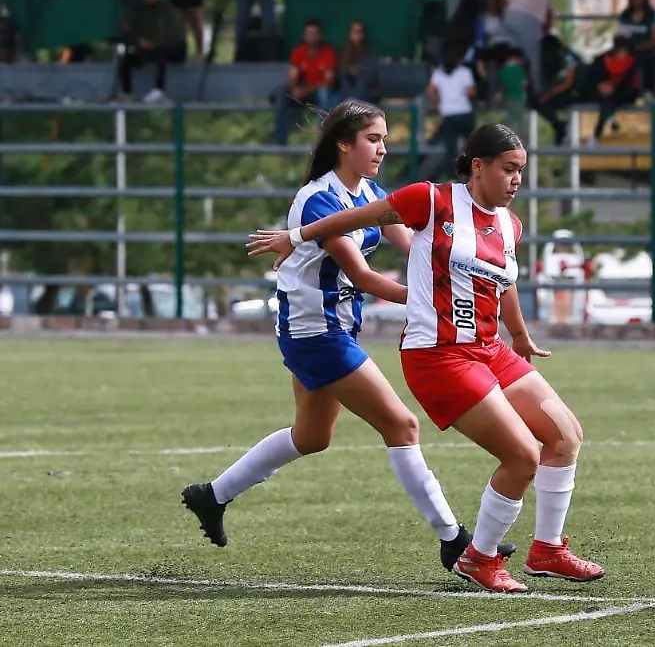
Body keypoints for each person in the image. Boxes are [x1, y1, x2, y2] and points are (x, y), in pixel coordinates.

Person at [247, 123, 604, 593]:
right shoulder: (430, 200)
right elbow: (352, 219)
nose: (517, 180)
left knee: (565, 436)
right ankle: (479, 559)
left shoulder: (509, 223)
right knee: (521, 456)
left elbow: (506, 280)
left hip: (489, 348)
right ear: (478, 166)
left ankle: (548, 550)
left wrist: (518, 334)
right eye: (508, 169)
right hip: (438, 355)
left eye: (521, 170)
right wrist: (296, 236)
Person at [183, 100, 513, 574]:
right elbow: (362, 276)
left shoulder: (369, 192)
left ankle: (211, 496)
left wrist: (463, 263)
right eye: (373, 139)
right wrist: (431, 301)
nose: (383, 149)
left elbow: (418, 244)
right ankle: (452, 539)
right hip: (316, 331)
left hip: (331, 327)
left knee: (312, 436)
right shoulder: (319, 198)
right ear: (343, 144)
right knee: (402, 425)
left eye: (384, 140)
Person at [427, 47, 478, 180]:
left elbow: (431, 90)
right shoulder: (464, 72)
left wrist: (439, 102)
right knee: (470, 145)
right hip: (465, 112)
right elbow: (471, 91)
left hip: (448, 113)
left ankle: (453, 175)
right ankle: (472, 172)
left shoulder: (439, 73)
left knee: (451, 149)